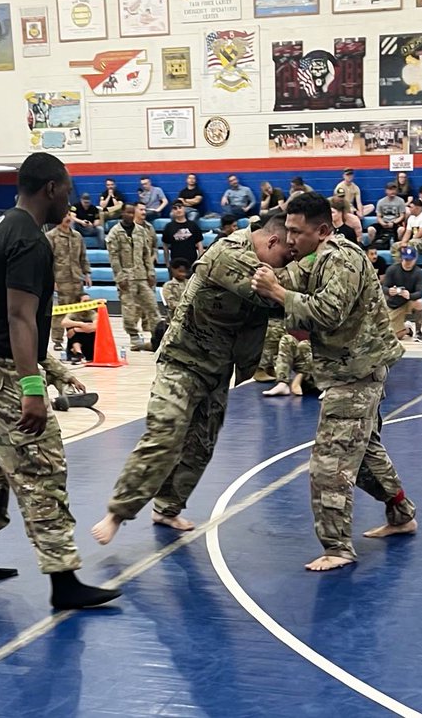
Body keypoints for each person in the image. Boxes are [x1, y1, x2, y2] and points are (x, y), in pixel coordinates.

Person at [0, 151, 119, 610]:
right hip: (2, 372)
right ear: (51, 188)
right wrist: (31, 388)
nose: (70, 199)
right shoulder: (29, 241)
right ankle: (64, 581)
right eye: (67, 190)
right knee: (41, 468)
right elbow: (19, 316)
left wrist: (52, 370)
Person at [91, 213, 297, 544]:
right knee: (166, 432)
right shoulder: (230, 253)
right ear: (273, 241)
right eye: (287, 255)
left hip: (217, 366)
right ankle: (117, 513)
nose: (290, 261)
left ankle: (167, 508)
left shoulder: (265, 264)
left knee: (200, 444)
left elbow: (285, 302)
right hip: (183, 360)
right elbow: (273, 294)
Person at [250, 193, 417, 571]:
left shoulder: (341, 259)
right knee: (365, 458)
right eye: (287, 231)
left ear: (323, 230)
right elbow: (294, 277)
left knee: (329, 463)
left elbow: (327, 312)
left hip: (355, 376)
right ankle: (402, 515)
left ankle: (337, 548)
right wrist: (262, 274)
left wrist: (277, 292)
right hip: (348, 371)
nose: (290, 239)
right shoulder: (317, 258)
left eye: (297, 232)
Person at [106, 203, 160, 351]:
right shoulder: (115, 233)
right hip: (126, 278)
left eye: (132, 213)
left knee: (152, 306)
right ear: (122, 213)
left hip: (142, 275)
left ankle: (157, 336)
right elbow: (114, 258)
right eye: (128, 212)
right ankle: (134, 336)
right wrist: (120, 277)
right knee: (129, 310)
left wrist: (151, 273)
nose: (130, 215)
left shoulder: (141, 231)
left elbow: (146, 254)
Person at [46, 210, 90, 351]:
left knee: (78, 311)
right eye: (65, 215)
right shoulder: (51, 236)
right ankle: (57, 340)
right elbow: (47, 260)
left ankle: (76, 340)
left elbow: (83, 256)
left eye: (69, 215)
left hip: (76, 279)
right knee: (60, 311)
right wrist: (51, 280)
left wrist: (87, 274)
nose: (68, 218)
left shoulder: (77, 236)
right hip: (61, 279)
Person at [382, 245, 422, 342]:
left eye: (410, 260)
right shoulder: (392, 269)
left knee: (419, 302)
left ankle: (418, 332)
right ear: (402, 258)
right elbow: (384, 287)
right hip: (395, 304)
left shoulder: (418, 273)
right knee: (393, 336)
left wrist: (409, 295)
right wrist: (389, 291)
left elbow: (420, 293)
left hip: (409, 301)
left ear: (415, 259)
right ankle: (407, 329)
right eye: (406, 260)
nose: (408, 263)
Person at [262, 330, 313, 398]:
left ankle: (327, 388)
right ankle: (282, 384)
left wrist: (300, 376)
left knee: (306, 345)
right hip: (307, 367)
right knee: (287, 339)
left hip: (322, 372)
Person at [162, 200, 204, 265]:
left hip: (192, 262)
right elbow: (165, 246)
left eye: (180, 207)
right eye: (175, 208)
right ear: (172, 211)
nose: (178, 210)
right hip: (176, 264)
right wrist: (167, 263)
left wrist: (199, 261)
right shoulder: (169, 227)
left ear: (184, 208)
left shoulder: (193, 225)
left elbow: (199, 244)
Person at [366, 182, 407, 248]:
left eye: (394, 189)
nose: (392, 191)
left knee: (401, 230)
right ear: (386, 191)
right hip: (383, 223)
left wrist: (394, 223)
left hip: (395, 223)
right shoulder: (381, 201)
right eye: (390, 190)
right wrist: (382, 223)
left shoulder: (400, 201)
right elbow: (378, 216)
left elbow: (402, 216)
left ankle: (399, 246)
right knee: (370, 229)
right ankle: (373, 246)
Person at [61, 293, 97, 363]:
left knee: (75, 329)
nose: (88, 303)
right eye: (85, 301)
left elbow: (94, 327)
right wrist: (81, 324)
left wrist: (76, 330)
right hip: (77, 339)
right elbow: (64, 323)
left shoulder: (92, 313)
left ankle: (77, 352)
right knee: (70, 326)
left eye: (89, 301)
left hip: (89, 341)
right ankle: (78, 353)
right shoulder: (74, 312)